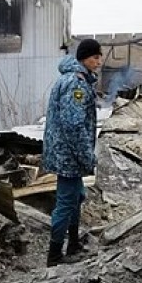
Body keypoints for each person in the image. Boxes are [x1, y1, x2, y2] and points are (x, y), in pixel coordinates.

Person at [42, 38, 103, 267]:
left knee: (77, 197)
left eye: (99, 57)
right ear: (84, 58)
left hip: (67, 153)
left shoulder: (75, 79)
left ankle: (74, 243)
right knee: (66, 202)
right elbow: (73, 125)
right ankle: (54, 257)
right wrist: (87, 156)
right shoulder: (76, 84)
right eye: (95, 57)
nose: (99, 62)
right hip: (68, 155)